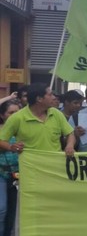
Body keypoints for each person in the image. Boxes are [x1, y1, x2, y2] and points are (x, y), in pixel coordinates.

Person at [0, 83, 76, 155]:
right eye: (50, 94)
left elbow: (70, 134)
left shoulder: (56, 113)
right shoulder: (17, 117)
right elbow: (1, 140)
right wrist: (10, 147)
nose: (54, 97)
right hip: (30, 166)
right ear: (39, 99)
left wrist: (70, 145)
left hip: (54, 165)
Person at [0, 100, 19, 236]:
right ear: (2, 115)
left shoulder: (24, 130)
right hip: (1, 174)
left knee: (14, 212)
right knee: (2, 209)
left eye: (17, 112)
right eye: (11, 112)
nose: (14, 115)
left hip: (19, 176)